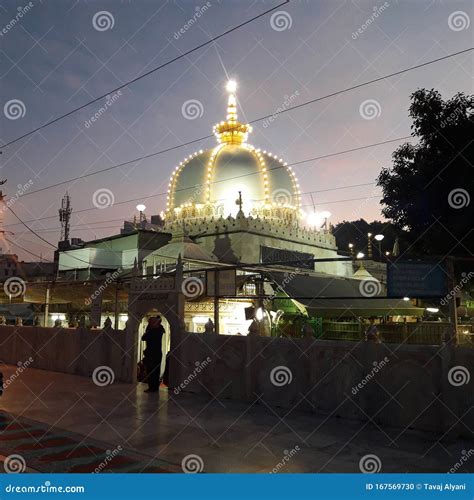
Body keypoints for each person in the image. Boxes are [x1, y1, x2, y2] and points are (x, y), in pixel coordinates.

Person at [142, 316, 165, 393]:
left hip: (154, 354)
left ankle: (153, 388)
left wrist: (150, 328)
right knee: (152, 371)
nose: (149, 324)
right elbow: (144, 338)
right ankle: (153, 388)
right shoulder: (159, 329)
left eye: (151, 322)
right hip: (153, 354)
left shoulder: (155, 331)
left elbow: (144, 337)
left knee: (153, 372)